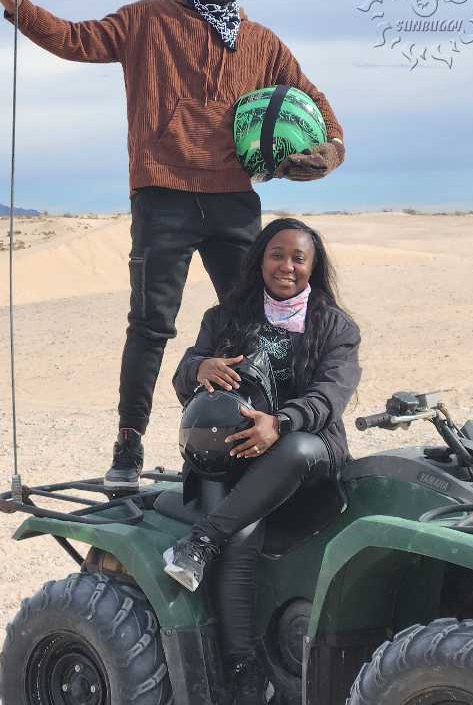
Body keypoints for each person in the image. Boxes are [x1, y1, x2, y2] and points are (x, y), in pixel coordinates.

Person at [0, 0, 347, 490]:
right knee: (151, 326)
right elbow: (76, 39)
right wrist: (14, 2)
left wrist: (330, 150)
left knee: (258, 321)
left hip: (233, 199)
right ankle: (128, 448)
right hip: (163, 193)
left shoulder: (263, 44)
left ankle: (262, 435)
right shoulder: (148, 19)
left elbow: (314, 103)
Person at [168, 218, 361, 704]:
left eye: (299, 258)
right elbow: (182, 376)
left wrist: (281, 422)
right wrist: (200, 367)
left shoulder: (336, 327)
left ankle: (201, 539)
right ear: (260, 260)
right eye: (277, 255)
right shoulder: (225, 317)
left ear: (314, 267)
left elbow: (330, 397)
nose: (287, 266)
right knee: (241, 537)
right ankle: (244, 670)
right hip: (229, 455)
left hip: (305, 452)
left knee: (293, 450)